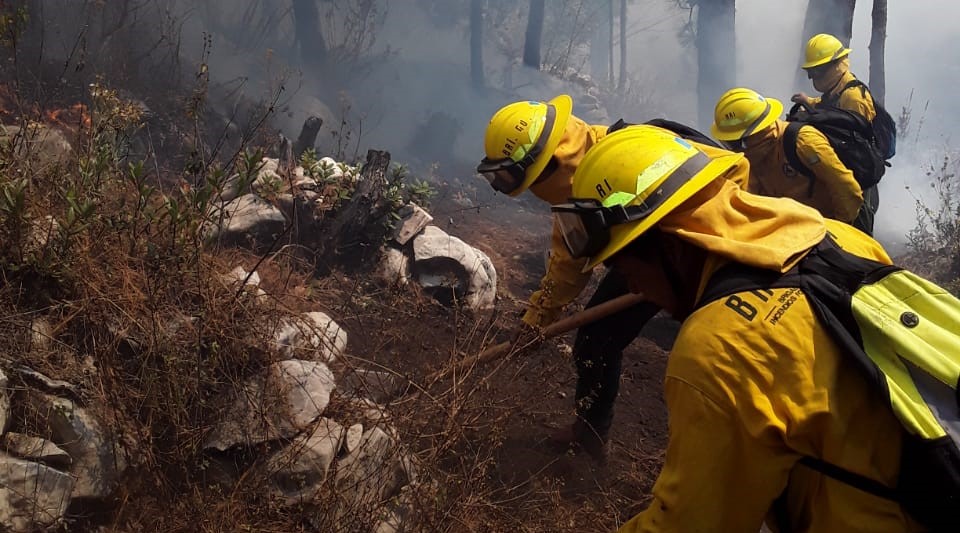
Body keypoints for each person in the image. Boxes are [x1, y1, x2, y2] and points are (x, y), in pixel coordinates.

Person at [550, 125, 923, 531]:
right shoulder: (837, 237)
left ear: (669, 244)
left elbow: (687, 526)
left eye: (624, 267)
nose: (633, 287)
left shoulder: (717, 348)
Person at [477, 95, 747, 460]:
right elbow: (567, 262)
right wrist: (536, 319)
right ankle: (590, 434)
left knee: (709, 364)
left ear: (547, 167)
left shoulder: (632, 150)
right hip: (655, 264)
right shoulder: (576, 186)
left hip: (712, 258)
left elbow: (734, 168)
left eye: (525, 182)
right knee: (596, 341)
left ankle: (715, 465)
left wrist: (694, 253)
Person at [711, 87, 868, 233]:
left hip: (832, 228)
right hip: (796, 234)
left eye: (732, 142)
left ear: (749, 137)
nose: (731, 147)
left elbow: (845, 187)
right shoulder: (755, 156)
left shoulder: (803, 142)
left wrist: (839, 233)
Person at [791, 33, 880, 234]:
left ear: (834, 66)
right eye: (811, 72)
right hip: (842, 171)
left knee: (857, 234)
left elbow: (855, 143)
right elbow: (831, 110)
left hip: (857, 178)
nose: (814, 77)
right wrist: (809, 102)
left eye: (817, 71)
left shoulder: (854, 97)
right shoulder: (837, 89)